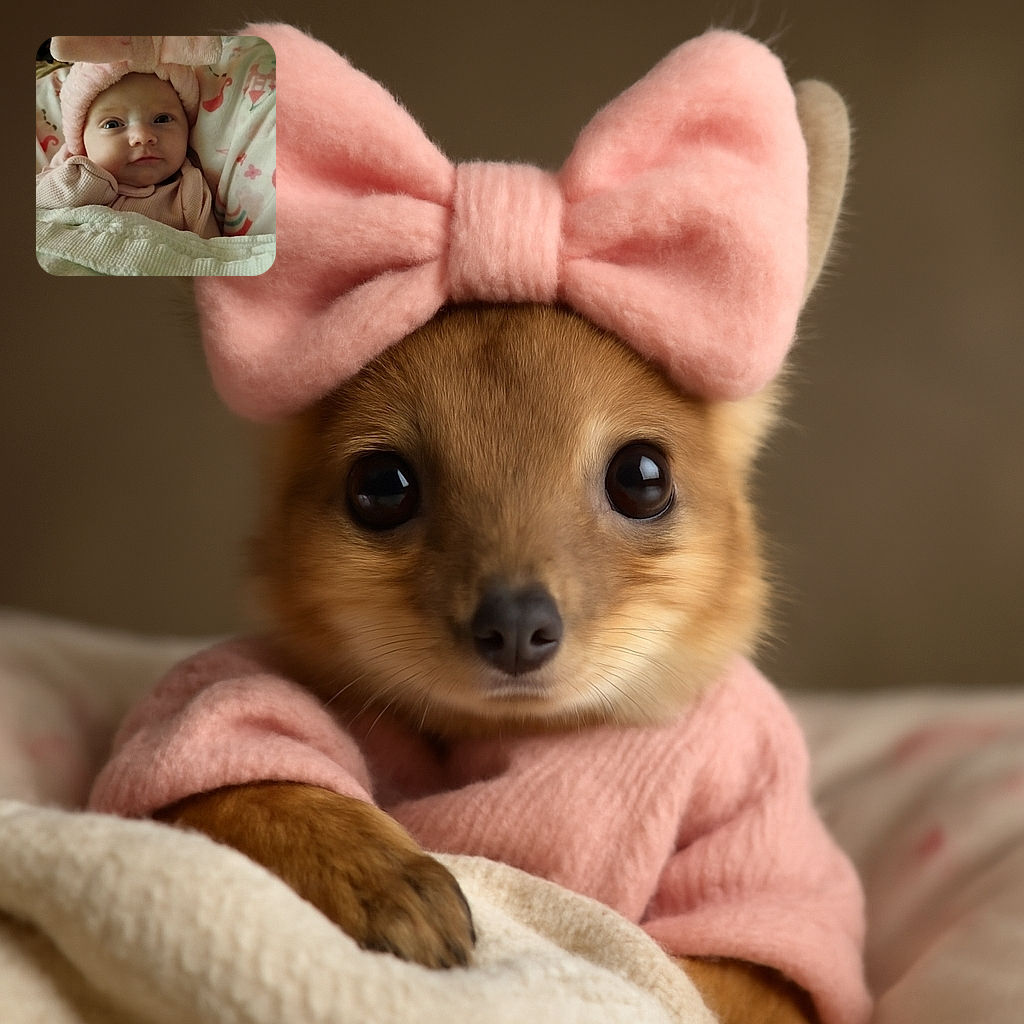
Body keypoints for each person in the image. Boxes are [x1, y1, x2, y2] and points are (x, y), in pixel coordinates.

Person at [37, 62, 219, 238]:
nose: (142, 136)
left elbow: (213, 256)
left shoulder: (190, 191)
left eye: (162, 119)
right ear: (81, 142)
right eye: (112, 124)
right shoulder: (70, 167)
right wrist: (85, 180)